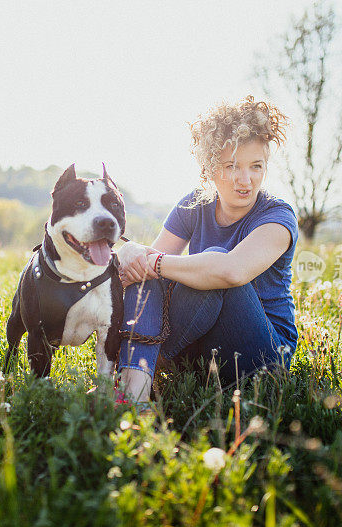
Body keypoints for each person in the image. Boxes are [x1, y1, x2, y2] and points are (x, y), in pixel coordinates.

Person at [115, 94, 299, 406]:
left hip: (263, 355)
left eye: (257, 166)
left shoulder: (278, 217)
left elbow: (231, 270)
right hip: (204, 345)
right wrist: (130, 252)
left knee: (213, 266)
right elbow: (148, 272)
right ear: (210, 168)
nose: (246, 179)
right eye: (232, 166)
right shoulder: (194, 204)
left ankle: (147, 368)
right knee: (148, 277)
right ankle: (133, 390)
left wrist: (152, 262)